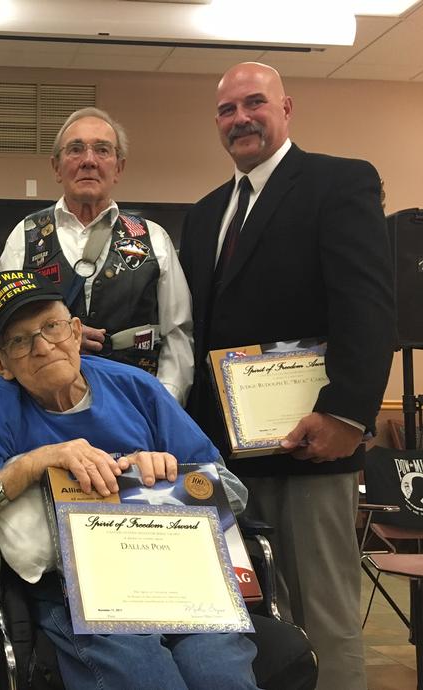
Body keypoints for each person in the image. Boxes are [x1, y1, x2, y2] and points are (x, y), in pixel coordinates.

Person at [0, 269, 257, 690]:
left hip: (176, 574)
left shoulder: (136, 388)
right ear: (1, 365)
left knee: (221, 677)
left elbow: (233, 493)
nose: (42, 347)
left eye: (51, 327)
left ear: (75, 332)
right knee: (149, 679)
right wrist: (28, 466)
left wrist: (169, 479)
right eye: (20, 340)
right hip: (79, 591)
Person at [179, 62, 394, 690]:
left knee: (321, 615)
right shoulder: (205, 214)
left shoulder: (339, 182)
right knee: (245, 619)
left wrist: (347, 414)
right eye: (227, 110)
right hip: (222, 457)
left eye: (254, 104)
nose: (241, 119)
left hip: (312, 445)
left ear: (287, 107)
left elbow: (369, 305)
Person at [0, 107, 193, 404]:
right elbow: (7, 334)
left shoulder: (154, 238)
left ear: (119, 167)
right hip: (47, 412)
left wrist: (162, 407)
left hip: (135, 408)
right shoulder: (24, 237)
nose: (88, 161)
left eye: (102, 150)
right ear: (56, 166)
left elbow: (177, 335)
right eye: (75, 149)